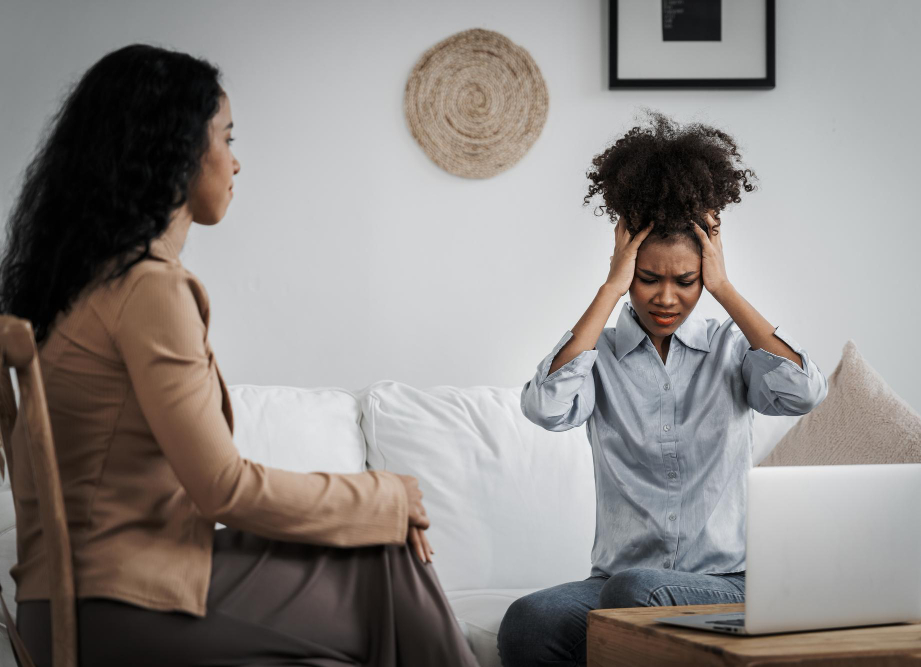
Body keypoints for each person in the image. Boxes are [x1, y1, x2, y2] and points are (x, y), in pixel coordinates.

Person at [0, 44, 476, 667]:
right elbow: (221, 487)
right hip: (125, 604)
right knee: (388, 555)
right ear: (176, 151)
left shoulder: (76, 287)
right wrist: (385, 497)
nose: (236, 161)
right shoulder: (149, 289)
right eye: (226, 136)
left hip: (67, 601)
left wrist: (376, 508)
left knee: (378, 549)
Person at [497, 112, 829, 666]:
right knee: (530, 620)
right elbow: (546, 407)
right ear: (629, 271)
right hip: (617, 582)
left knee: (635, 595)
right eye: (648, 278)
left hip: (729, 583)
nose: (666, 298)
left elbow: (804, 393)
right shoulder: (597, 355)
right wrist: (609, 287)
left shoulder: (732, 347)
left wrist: (723, 286)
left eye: (686, 280)